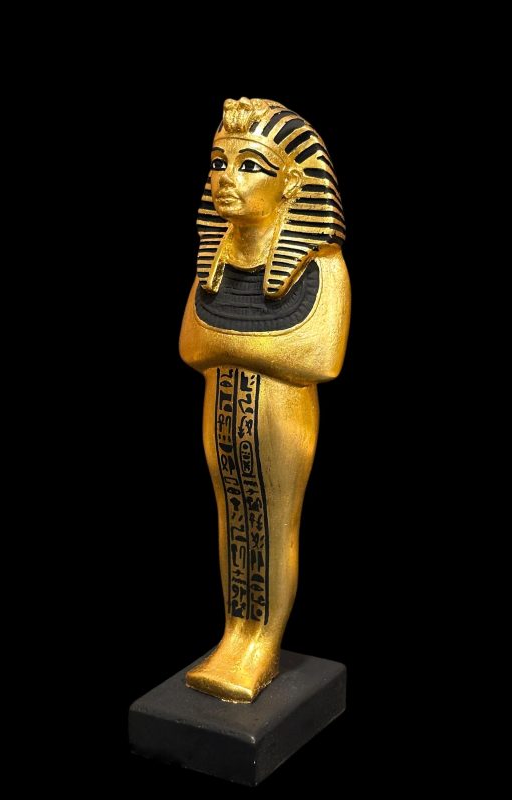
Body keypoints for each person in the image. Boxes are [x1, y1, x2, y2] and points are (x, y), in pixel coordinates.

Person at [179, 97, 351, 702]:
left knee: (272, 524)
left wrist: (231, 343)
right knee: (234, 518)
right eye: (218, 162)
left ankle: (262, 644)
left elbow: (320, 359)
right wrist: (260, 344)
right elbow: (191, 346)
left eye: (249, 165)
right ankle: (235, 635)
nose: (226, 178)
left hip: (280, 422)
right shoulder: (216, 258)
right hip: (222, 416)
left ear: (292, 184)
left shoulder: (321, 265)